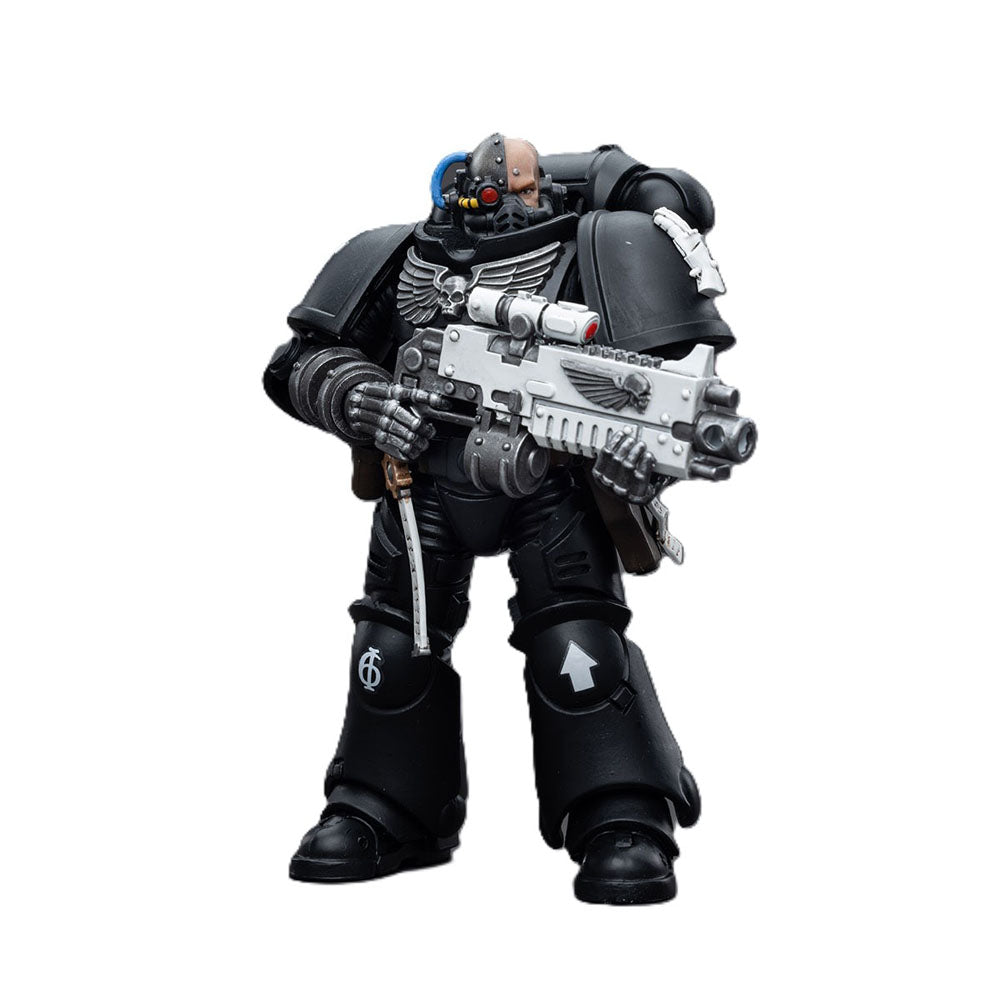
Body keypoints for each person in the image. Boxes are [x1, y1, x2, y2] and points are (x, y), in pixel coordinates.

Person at [263, 134, 739, 904]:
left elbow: (652, 390)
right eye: (488, 188)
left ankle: (620, 806)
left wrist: (634, 468)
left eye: (518, 188)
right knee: (394, 643)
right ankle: (382, 804)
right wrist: (359, 396)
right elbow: (298, 361)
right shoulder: (399, 255)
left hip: (548, 482)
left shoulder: (588, 252)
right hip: (419, 474)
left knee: (576, 643)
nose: (501, 199)